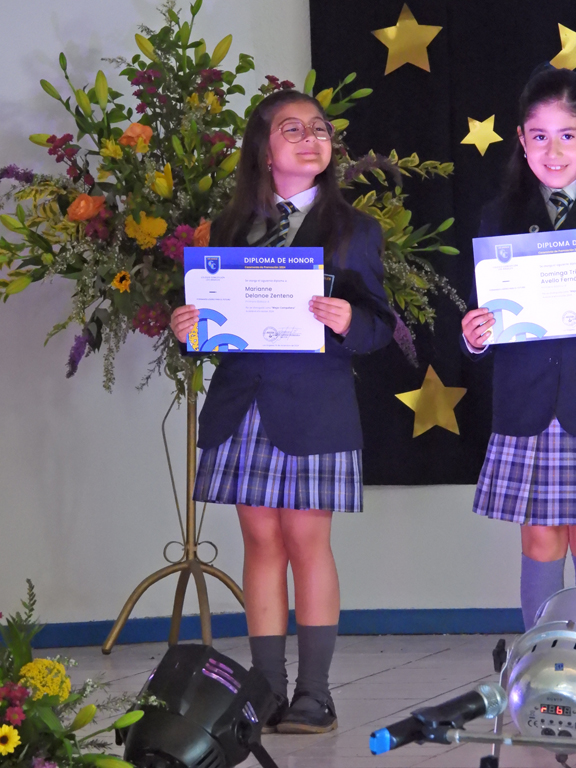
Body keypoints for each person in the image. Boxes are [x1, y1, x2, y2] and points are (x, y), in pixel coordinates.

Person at [170, 90, 396, 733]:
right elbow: (214, 325)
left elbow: (380, 325)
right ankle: (265, 691)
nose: (311, 138)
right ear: (263, 150)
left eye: (319, 129)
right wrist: (189, 330)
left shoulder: (355, 229)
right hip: (244, 404)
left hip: (315, 408)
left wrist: (349, 319)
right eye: (292, 129)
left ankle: (315, 695)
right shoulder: (228, 229)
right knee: (261, 542)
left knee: (305, 541)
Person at [462, 66, 576, 631]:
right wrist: (474, 335)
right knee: (539, 538)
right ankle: (544, 665)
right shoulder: (500, 217)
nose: (554, 151)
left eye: (568, 134)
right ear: (521, 142)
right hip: (529, 403)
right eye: (540, 135)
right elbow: (484, 314)